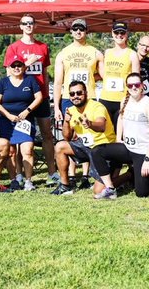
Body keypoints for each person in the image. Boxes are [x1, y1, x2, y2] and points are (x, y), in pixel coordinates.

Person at [90, 72, 149, 199]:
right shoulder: (124, 100)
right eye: (130, 85)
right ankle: (110, 188)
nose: (133, 87)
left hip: (144, 152)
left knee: (142, 193)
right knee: (97, 151)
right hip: (128, 148)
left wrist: (147, 159)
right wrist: (118, 139)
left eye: (137, 85)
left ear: (142, 86)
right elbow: (121, 119)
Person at [4, 14, 56, 184]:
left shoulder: (43, 46)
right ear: (20, 26)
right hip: (22, 99)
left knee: (47, 135)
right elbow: (10, 73)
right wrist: (27, 63)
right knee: (20, 139)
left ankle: (51, 173)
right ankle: (20, 175)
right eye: (25, 23)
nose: (28, 26)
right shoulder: (13, 47)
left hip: (41, 97)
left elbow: (45, 74)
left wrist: (47, 95)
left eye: (31, 23)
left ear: (35, 25)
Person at [53, 19, 104, 188]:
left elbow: (103, 75)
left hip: (88, 98)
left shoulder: (95, 52)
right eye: (75, 29)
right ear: (71, 32)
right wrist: (57, 107)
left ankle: (85, 176)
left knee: (87, 133)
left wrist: (91, 78)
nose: (78, 32)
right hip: (69, 97)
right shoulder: (63, 53)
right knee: (70, 137)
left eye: (81, 29)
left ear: (86, 31)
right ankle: (71, 176)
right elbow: (58, 82)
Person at [0, 56, 43, 193]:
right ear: (9, 68)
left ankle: (28, 181)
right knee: (11, 152)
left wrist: (27, 111)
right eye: (13, 66)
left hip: (25, 121)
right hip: (7, 121)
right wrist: (8, 115)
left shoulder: (30, 80)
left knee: (27, 149)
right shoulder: (3, 82)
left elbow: (39, 97)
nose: (16, 68)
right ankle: (15, 179)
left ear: (24, 67)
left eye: (19, 65)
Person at [52, 80, 116, 197]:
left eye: (79, 93)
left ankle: (127, 176)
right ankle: (65, 185)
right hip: (85, 146)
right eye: (72, 94)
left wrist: (90, 124)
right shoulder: (71, 110)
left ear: (85, 93)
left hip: (102, 148)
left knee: (98, 191)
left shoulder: (97, 106)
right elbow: (67, 137)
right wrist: (66, 121)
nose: (75, 96)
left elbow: (101, 126)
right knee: (60, 146)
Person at [99, 22, 140, 128]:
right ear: (112, 34)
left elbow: (136, 79)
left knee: (120, 134)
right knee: (105, 133)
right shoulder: (107, 52)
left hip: (122, 100)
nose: (119, 35)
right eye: (116, 32)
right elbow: (102, 73)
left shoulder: (132, 54)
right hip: (105, 98)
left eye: (122, 32)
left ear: (127, 34)